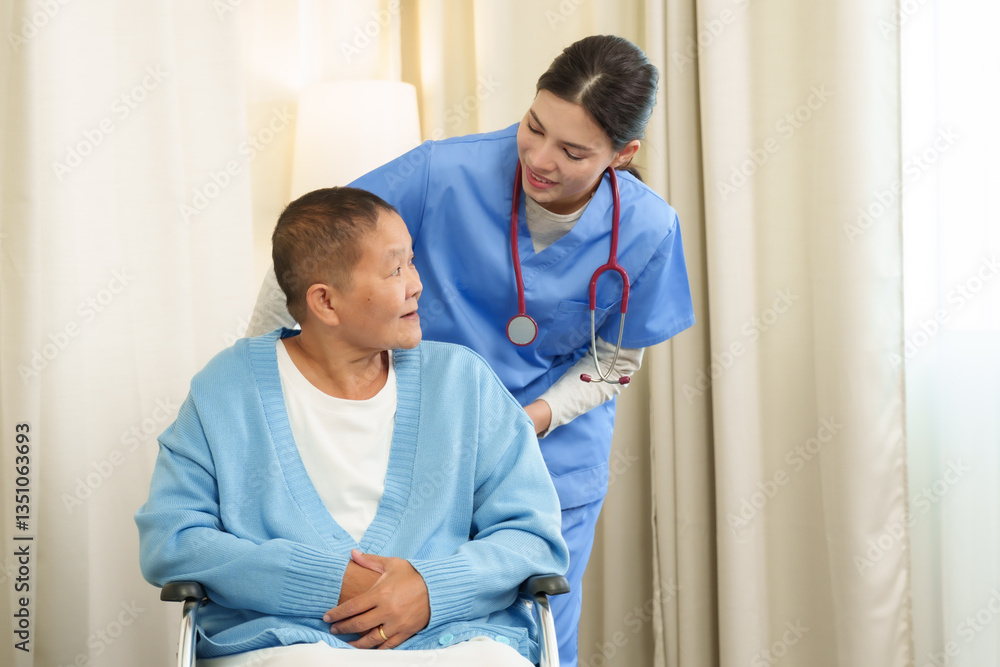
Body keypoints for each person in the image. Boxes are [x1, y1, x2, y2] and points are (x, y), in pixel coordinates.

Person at [248, 34, 695, 667]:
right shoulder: (442, 172)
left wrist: (526, 421)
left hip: (551, 463)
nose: (539, 158)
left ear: (622, 155)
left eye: (571, 151)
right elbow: (311, 252)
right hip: (423, 448)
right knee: (400, 631)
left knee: (540, 642)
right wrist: (257, 379)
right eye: (533, 126)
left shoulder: (650, 228)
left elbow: (615, 360)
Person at [136, 187, 569, 667]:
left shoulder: (462, 381)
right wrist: (324, 580)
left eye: (412, 262)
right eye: (394, 269)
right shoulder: (227, 390)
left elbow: (534, 536)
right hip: (284, 644)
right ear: (325, 302)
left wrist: (430, 589)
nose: (416, 284)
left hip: (452, 640)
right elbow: (173, 539)